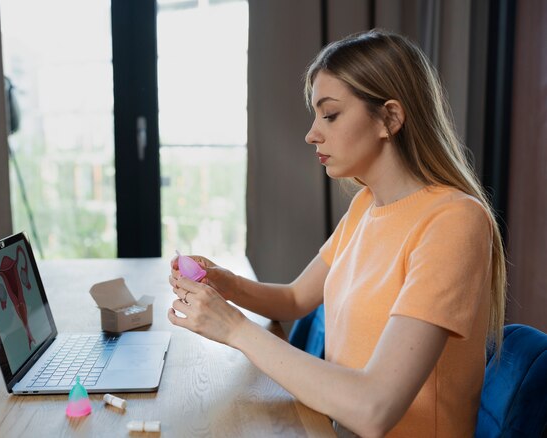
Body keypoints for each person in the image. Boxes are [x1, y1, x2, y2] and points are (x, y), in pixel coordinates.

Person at [168, 29, 506, 438]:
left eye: (329, 115)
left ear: (390, 118)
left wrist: (235, 328)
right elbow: (294, 299)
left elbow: (373, 409)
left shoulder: (453, 221)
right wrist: (226, 283)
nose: (312, 133)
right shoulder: (367, 205)